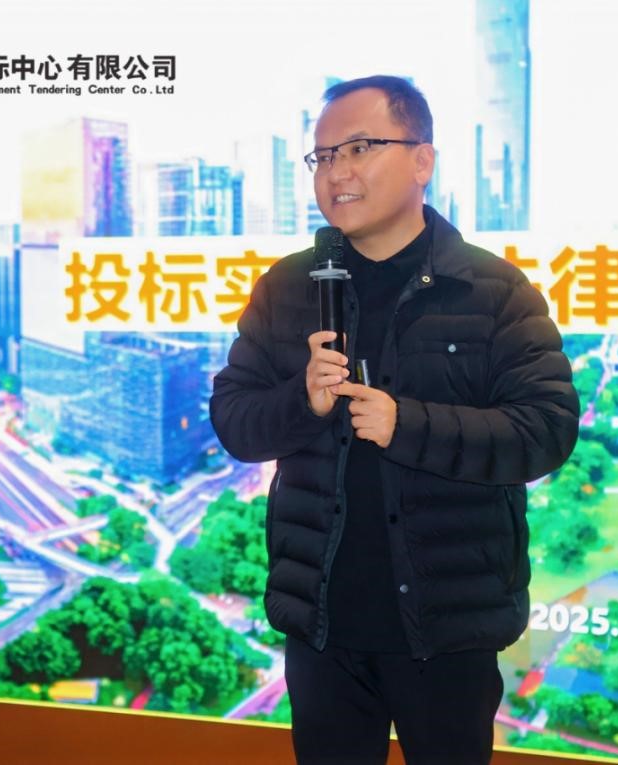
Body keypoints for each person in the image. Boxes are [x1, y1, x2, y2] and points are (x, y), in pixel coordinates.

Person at [209, 75, 580, 764]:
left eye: (359, 148)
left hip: (448, 633)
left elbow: (546, 428)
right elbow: (234, 419)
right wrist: (302, 400)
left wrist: (408, 425)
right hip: (323, 631)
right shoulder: (287, 288)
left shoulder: (494, 290)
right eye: (323, 156)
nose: (336, 173)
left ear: (422, 161)